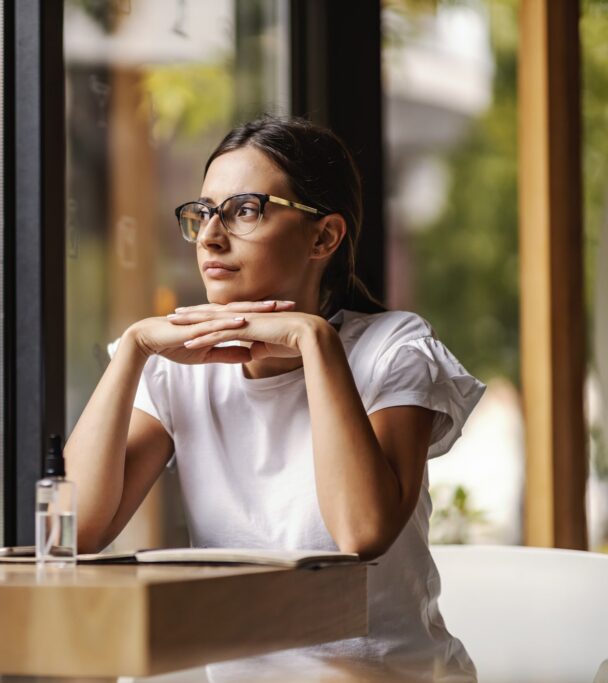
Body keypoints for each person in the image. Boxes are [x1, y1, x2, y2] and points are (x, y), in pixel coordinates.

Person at [66, 115, 485, 682]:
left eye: (243, 210)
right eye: (203, 213)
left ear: (324, 237)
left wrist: (315, 341)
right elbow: (76, 531)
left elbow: (361, 533)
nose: (211, 236)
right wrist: (135, 349)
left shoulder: (392, 348)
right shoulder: (179, 364)